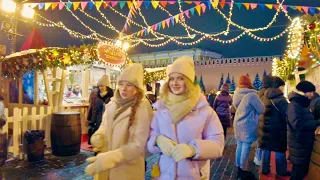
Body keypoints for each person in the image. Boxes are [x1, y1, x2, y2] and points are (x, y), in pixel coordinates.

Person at [147, 56, 224, 180]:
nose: (174, 83)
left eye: (180, 79)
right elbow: (151, 136)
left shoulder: (205, 111)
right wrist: (158, 140)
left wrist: (193, 149)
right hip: (164, 175)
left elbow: (218, 145)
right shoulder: (161, 109)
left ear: (189, 82)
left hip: (193, 175)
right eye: (171, 79)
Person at [85, 64, 153, 180]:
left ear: (137, 88)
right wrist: (99, 135)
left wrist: (109, 159)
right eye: (121, 84)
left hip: (127, 170)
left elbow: (137, 145)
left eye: (129, 85)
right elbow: (104, 125)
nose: (123, 89)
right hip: (106, 168)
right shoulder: (112, 104)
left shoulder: (141, 108)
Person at [233, 75, 265, 179]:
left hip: (238, 122)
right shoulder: (252, 95)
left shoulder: (236, 93)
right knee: (246, 146)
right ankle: (243, 169)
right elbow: (261, 109)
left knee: (239, 145)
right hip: (248, 123)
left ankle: (239, 167)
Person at [287, 81, 320, 180]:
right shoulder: (294, 105)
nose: (312, 94)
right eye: (310, 92)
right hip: (299, 143)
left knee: (301, 170)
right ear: (304, 92)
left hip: (303, 143)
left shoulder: (302, 103)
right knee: (298, 172)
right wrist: (317, 123)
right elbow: (298, 125)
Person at [258, 76, 290, 176]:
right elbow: (287, 113)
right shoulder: (281, 99)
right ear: (279, 87)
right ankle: (281, 171)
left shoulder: (265, 96)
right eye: (283, 86)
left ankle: (265, 169)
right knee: (280, 150)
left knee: (266, 149)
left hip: (266, 128)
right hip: (278, 129)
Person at [87, 75, 114, 145]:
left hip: (107, 118)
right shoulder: (95, 94)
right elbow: (92, 106)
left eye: (103, 86)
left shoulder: (112, 95)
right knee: (96, 133)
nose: (101, 88)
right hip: (97, 117)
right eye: (100, 86)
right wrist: (89, 117)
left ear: (106, 86)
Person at [254, 75, 274, 166]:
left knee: (260, 140)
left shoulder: (259, 93)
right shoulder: (269, 93)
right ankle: (263, 161)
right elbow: (268, 108)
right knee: (266, 142)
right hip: (266, 119)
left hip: (259, 119)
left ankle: (258, 158)